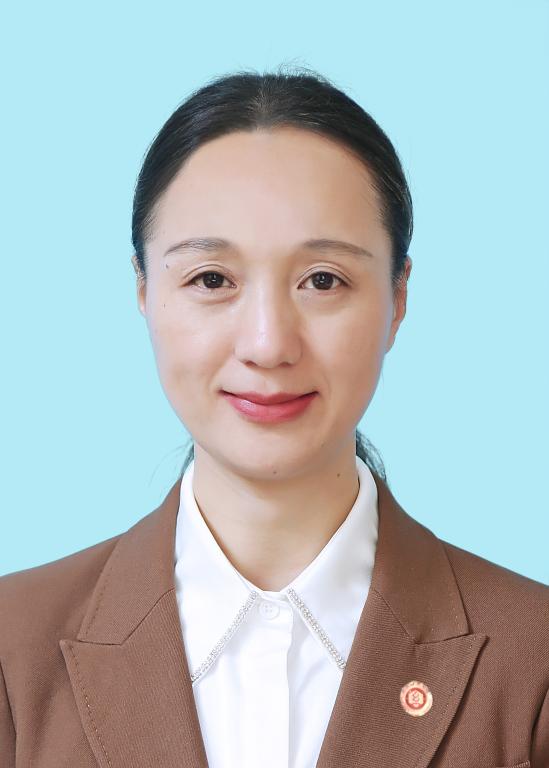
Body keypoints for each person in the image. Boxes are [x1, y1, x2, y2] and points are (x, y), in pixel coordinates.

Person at [0, 66, 547, 768]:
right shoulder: (14, 652)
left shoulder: (533, 663)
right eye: (211, 279)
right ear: (143, 289)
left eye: (323, 280)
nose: (266, 344)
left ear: (398, 298)